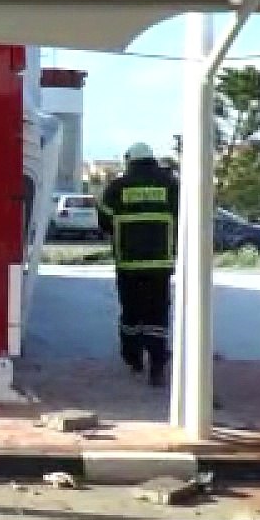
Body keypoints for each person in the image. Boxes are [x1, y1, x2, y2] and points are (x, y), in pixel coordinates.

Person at [97, 142, 180, 388]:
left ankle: (133, 358)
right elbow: (184, 217)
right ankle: (157, 364)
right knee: (157, 313)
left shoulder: (117, 187)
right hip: (160, 264)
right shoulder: (170, 185)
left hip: (128, 263)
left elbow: (103, 221)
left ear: (130, 160)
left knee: (132, 312)